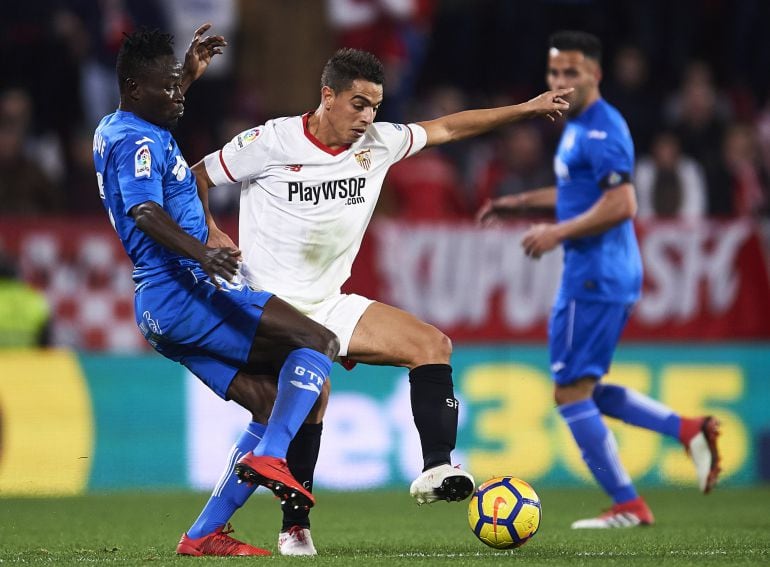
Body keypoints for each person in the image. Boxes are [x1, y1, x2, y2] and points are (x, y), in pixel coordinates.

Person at [192, 47, 571, 555]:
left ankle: (437, 466)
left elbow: (450, 128)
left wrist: (524, 109)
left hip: (329, 303)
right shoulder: (270, 141)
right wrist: (212, 231)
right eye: (358, 104)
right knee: (315, 394)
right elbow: (195, 175)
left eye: (375, 105)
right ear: (327, 96)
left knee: (432, 344)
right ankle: (294, 526)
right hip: (268, 307)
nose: (368, 117)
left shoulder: (380, 143)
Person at [93, 25, 341, 556]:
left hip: (159, 309)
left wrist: (185, 74)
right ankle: (273, 455)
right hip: (184, 291)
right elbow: (145, 210)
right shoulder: (138, 138)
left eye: (179, 87)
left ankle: (202, 535)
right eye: (168, 88)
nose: (178, 97)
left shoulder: (121, 124)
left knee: (268, 400)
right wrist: (203, 253)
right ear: (134, 88)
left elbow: (158, 101)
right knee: (319, 343)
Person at [477, 31, 722, 529]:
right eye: (555, 73)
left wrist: (556, 233)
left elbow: (623, 202)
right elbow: (578, 189)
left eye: (572, 72)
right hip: (603, 272)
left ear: (596, 74)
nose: (561, 81)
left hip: (595, 273)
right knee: (583, 386)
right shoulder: (575, 125)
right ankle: (688, 429)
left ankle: (628, 504)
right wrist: (519, 203)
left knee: (569, 392)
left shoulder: (604, 128)